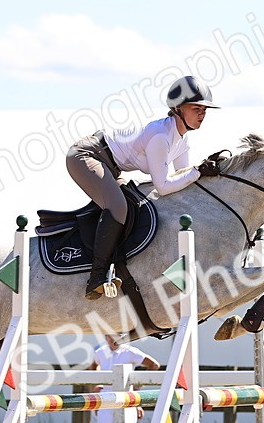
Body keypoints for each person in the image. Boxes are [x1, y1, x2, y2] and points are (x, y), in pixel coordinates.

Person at [66, 75, 222, 300]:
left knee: (133, 204)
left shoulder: (182, 140)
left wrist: (203, 172)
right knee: (119, 207)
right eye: (197, 107)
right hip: (85, 155)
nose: (202, 113)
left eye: (205, 109)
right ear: (177, 108)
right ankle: (96, 277)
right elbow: (164, 186)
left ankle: (116, 265)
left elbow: (183, 179)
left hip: (109, 165)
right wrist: (198, 171)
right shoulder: (160, 136)